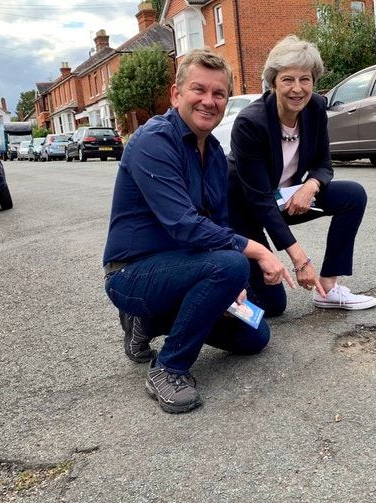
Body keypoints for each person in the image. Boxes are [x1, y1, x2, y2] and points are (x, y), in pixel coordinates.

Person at [103, 49, 293, 414]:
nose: (209, 101)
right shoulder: (153, 142)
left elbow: (219, 224)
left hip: (186, 267)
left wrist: (232, 289)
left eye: (219, 94)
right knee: (231, 265)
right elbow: (184, 225)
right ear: (176, 95)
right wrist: (257, 251)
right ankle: (168, 368)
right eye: (198, 90)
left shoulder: (216, 153)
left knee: (254, 336)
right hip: (132, 273)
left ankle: (148, 321)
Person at [227, 35, 376, 316]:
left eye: (305, 79)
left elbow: (323, 162)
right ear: (273, 83)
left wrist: (311, 184)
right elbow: (259, 202)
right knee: (272, 307)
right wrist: (300, 260)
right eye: (288, 80)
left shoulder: (316, 107)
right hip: (244, 211)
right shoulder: (250, 123)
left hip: (285, 198)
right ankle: (219, 293)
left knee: (353, 195)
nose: (297, 89)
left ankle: (329, 289)